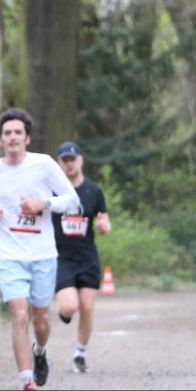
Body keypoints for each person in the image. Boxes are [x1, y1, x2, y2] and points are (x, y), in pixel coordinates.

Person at [0, 109, 80, 391]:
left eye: (17, 133)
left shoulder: (44, 165)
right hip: (9, 255)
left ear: (27, 138)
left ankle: (40, 352)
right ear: (1, 140)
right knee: (19, 313)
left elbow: (71, 200)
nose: (12, 137)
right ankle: (27, 382)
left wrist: (43, 203)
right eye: (7, 133)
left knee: (40, 319)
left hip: (42, 254)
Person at [51, 142, 111, 373]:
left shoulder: (93, 191)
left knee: (87, 306)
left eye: (72, 159)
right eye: (64, 160)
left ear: (81, 160)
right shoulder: (52, 191)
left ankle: (80, 354)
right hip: (61, 258)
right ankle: (64, 312)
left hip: (87, 257)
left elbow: (104, 220)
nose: (69, 164)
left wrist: (104, 226)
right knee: (69, 307)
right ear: (59, 163)